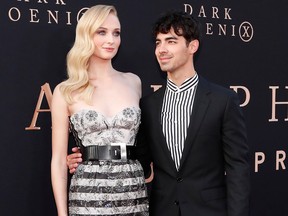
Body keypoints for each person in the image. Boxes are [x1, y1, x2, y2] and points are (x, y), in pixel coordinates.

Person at [67, 10, 250, 216]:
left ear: (193, 46)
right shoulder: (148, 105)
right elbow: (140, 160)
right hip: (162, 210)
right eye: (158, 42)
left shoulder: (222, 101)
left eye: (171, 41)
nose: (162, 49)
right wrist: (89, 155)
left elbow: (237, 167)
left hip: (209, 210)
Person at [51, 5, 149, 216]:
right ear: (86, 35)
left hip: (132, 194)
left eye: (116, 33)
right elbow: (58, 161)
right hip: (87, 198)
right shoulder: (66, 91)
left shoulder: (134, 82)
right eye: (102, 32)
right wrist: (62, 213)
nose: (111, 40)